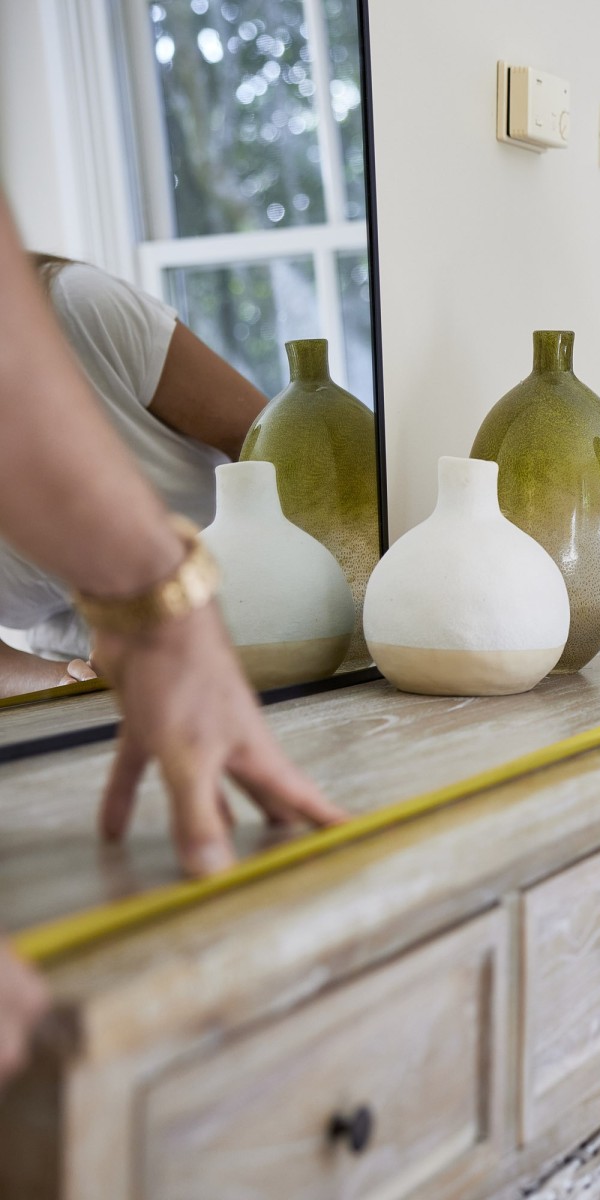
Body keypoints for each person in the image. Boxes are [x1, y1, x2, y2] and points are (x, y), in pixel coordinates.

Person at [0, 196, 345, 1087]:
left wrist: (191, 611)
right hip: (84, 694)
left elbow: (284, 449)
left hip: (265, 645)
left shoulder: (80, 312)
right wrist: (56, 676)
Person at [0, 253, 267, 697]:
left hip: (257, 623)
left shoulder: (77, 309)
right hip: (86, 683)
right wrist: (75, 682)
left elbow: (283, 450)